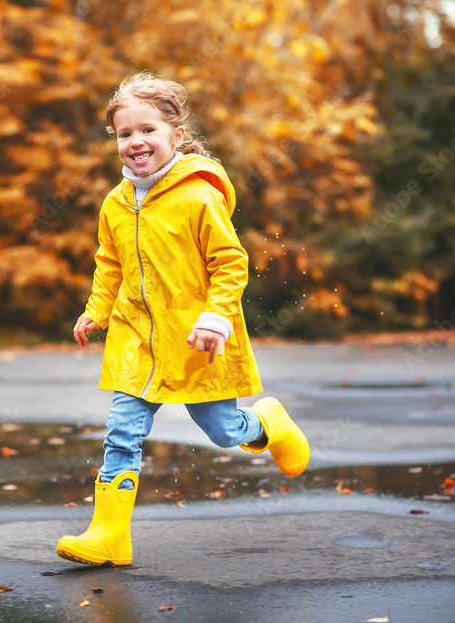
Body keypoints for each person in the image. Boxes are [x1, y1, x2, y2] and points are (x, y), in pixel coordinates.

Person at [56, 72, 310, 567]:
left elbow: (232, 263)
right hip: (137, 340)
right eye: (124, 133)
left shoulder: (198, 196)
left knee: (221, 429)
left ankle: (266, 423)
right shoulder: (114, 203)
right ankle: (109, 535)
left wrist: (216, 318)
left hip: (198, 338)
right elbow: (110, 263)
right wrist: (96, 311)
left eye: (147, 130)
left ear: (175, 133)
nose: (136, 142)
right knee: (121, 431)